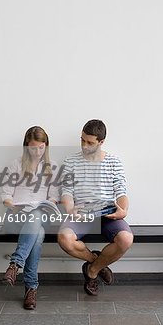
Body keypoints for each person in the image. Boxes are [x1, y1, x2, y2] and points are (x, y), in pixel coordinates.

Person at [58, 119, 134, 296]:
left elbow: (121, 191)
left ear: (101, 142)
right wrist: (70, 209)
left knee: (126, 240)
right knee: (64, 238)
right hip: (81, 215)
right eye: (82, 140)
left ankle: (92, 271)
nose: (84, 145)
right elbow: (66, 191)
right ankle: (97, 262)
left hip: (107, 215)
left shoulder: (114, 161)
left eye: (90, 142)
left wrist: (123, 211)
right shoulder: (71, 160)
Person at [1, 126, 59, 309]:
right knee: (38, 233)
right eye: (33, 148)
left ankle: (15, 265)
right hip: (16, 218)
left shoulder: (53, 167)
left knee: (36, 216)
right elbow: (6, 196)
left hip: (41, 215)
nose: (37, 152)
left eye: (41, 148)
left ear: (46, 146)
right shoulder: (15, 165)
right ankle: (31, 288)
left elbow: (53, 197)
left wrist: (49, 203)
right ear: (26, 146)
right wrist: (14, 206)